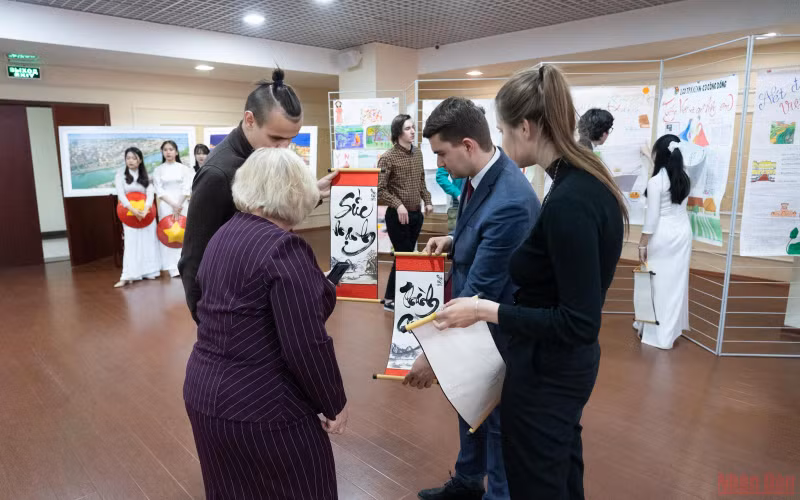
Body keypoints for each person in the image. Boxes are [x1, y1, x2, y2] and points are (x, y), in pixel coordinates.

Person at [430, 65, 627, 499]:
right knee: (559, 475)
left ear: (525, 126)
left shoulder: (571, 200)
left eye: (502, 129)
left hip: (551, 372)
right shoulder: (578, 184)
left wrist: (484, 309)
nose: (499, 141)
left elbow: (578, 322)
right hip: (554, 368)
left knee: (538, 482)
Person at [183, 148, 348, 499]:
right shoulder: (284, 249)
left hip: (204, 392)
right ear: (296, 192)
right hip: (262, 404)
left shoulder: (224, 234)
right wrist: (333, 403)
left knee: (231, 490)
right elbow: (305, 343)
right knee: (305, 488)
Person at [405, 97, 540, 500]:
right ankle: (467, 482)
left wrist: (435, 354)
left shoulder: (511, 200)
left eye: (442, 154)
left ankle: (496, 494)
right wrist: (453, 240)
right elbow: (480, 237)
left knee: (495, 419)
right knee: (470, 407)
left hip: (495, 330)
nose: (439, 164)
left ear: (467, 145)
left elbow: (480, 287)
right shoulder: (480, 177)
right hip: (474, 321)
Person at [179, 68, 338, 322]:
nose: (284, 148)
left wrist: (314, 192)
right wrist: (207, 323)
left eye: (291, 139)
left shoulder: (263, 154)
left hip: (270, 294)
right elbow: (192, 259)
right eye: (276, 137)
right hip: (234, 309)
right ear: (250, 120)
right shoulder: (217, 173)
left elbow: (273, 212)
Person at [636, 134, 691, 349]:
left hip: (662, 235)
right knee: (675, 285)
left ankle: (657, 334)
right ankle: (669, 331)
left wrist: (642, 244)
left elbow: (652, 220)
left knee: (656, 284)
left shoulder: (655, 181)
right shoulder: (685, 178)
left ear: (659, 154)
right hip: (683, 233)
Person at [378, 114, 433, 311]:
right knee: (405, 255)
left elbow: (421, 181)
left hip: (416, 215)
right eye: (408, 128)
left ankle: (394, 297)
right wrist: (398, 204)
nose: (412, 131)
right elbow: (380, 189)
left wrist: (427, 200)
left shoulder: (418, 153)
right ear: (398, 132)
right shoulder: (387, 158)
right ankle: (392, 298)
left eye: (413, 128)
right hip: (397, 216)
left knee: (407, 255)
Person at [113, 147, 161, 287]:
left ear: (140, 160)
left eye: (134, 158)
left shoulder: (147, 176)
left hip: (146, 214)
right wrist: (133, 210)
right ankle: (128, 275)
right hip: (129, 214)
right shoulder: (120, 175)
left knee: (148, 241)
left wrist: (145, 209)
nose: (131, 161)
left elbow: (150, 193)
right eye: (128, 158)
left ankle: (149, 271)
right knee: (131, 243)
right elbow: (121, 195)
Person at [152, 140, 194, 278]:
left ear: (176, 151)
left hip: (183, 205)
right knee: (167, 233)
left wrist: (179, 205)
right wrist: (174, 205)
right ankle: (171, 267)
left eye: (171, 149)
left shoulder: (184, 169)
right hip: (166, 206)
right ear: (162, 153)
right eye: (165, 150)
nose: (168, 152)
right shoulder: (158, 170)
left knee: (184, 233)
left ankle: (184, 265)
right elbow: (159, 190)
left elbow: (187, 187)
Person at [436, 166, 465, 232]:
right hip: (458, 200)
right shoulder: (449, 156)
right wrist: (457, 193)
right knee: (455, 232)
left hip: (477, 196)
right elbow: (441, 176)